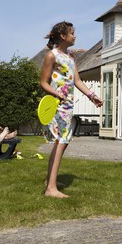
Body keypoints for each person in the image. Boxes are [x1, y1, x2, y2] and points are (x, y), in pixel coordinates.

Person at [40, 21, 103, 198]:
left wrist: (92, 96)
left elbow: (77, 81)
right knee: (62, 142)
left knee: (62, 143)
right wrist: (57, 95)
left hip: (67, 105)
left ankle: (50, 181)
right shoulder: (51, 56)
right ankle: (51, 189)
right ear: (63, 36)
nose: (75, 36)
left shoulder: (71, 57)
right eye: (72, 33)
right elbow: (43, 82)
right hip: (56, 106)